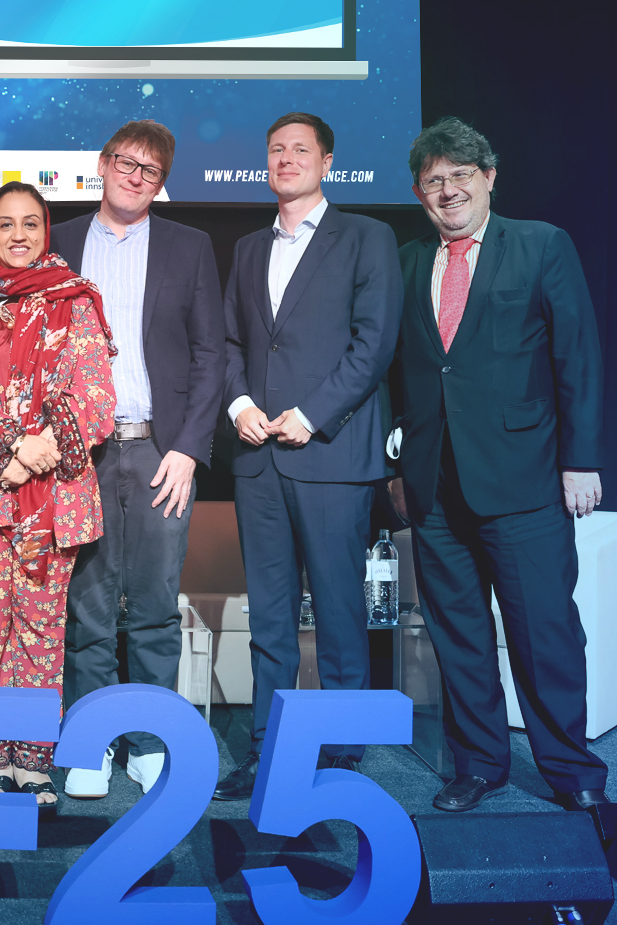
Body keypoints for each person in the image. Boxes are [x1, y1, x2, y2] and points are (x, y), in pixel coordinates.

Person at [387, 117, 609, 814]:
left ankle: (571, 769)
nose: (447, 190)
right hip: (433, 485)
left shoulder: (541, 244)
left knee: (544, 633)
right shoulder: (407, 261)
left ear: (488, 177)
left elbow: (578, 358)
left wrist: (581, 461)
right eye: (433, 180)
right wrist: (397, 464)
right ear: (419, 193)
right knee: (459, 637)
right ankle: (479, 764)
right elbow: (402, 374)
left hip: (524, 480)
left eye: (460, 175)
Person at [213, 112, 401, 801]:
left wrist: (312, 414)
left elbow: (374, 343)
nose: (286, 158)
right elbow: (231, 343)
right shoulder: (248, 249)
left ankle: (342, 750)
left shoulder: (367, 237)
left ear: (327, 162)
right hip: (258, 459)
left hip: (330, 452)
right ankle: (268, 748)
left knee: (340, 609)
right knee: (270, 616)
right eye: (276, 150)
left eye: (300, 149)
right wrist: (239, 405)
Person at [0, 182, 116, 806]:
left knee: (40, 630)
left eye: (30, 223)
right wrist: (8, 453)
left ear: (46, 230)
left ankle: (32, 759)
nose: (18, 235)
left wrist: (39, 452)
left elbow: (94, 396)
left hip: (53, 501)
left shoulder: (76, 300)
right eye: (5, 224)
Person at [49, 120, 223, 799]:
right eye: (125, 162)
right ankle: (91, 743)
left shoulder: (190, 246)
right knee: (87, 606)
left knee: (153, 605)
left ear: (161, 182)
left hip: (160, 450)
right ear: (101, 164)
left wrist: (188, 448)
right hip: (79, 452)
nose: (134, 176)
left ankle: (149, 740)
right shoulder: (58, 241)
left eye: (149, 170)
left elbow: (210, 354)